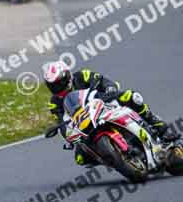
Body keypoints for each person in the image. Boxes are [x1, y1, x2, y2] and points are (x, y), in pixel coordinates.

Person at [43, 61, 180, 165]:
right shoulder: (54, 102)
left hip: (104, 104)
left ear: (67, 76)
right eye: (52, 86)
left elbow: (102, 80)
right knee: (80, 159)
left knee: (131, 97)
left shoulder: (82, 76)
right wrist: (66, 133)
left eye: (58, 83)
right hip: (84, 125)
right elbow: (61, 121)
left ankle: (161, 127)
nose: (57, 88)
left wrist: (109, 88)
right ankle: (111, 156)